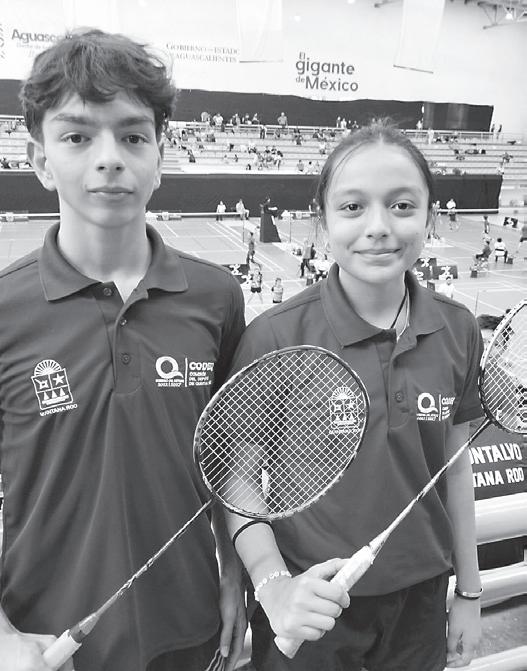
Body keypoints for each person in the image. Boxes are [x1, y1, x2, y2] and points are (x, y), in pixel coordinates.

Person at [0, 29, 247, 671]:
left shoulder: (217, 297)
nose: (109, 158)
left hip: (187, 624)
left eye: (133, 136)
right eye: (77, 137)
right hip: (43, 642)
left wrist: (234, 573)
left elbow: (229, 458)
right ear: (40, 159)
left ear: (160, 155)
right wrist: (3, 636)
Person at [224, 120, 483, 671]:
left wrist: (469, 590)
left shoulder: (459, 329)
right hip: (308, 599)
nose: (379, 227)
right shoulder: (275, 337)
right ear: (321, 224)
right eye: (352, 207)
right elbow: (238, 480)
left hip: (420, 600)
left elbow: (456, 467)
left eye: (403, 206)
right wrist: (274, 585)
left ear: (431, 218)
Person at [472, 315, 527, 570]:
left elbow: (510, 426)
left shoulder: (505, 383)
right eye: (481, 342)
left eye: (492, 343)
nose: (486, 349)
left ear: (502, 347)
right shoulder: (459, 377)